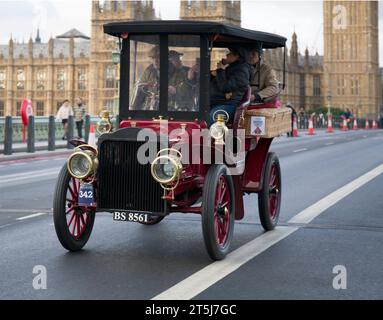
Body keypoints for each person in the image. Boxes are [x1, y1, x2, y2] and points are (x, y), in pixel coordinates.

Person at [210, 46, 251, 125]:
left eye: (230, 53)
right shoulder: (231, 68)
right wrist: (212, 74)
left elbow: (225, 87)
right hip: (215, 102)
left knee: (208, 122)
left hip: (228, 104)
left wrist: (220, 70)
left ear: (237, 56)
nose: (227, 55)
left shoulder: (242, 71)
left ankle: (204, 137)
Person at [131, 46, 160, 110]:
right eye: (153, 58)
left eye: (158, 57)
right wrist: (146, 85)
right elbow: (139, 86)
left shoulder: (176, 72)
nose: (155, 60)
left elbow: (183, 91)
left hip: (170, 108)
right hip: (151, 107)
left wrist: (174, 90)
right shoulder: (148, 71)